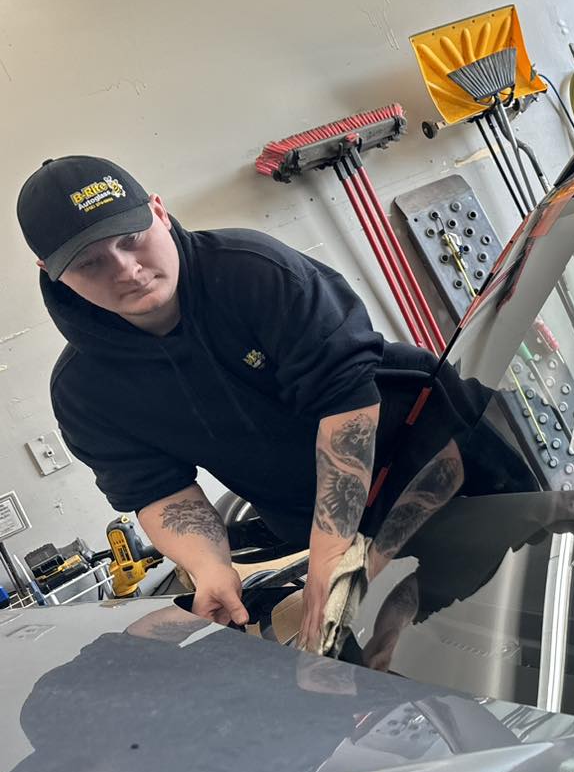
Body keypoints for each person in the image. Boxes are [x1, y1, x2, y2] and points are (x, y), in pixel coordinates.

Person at [15, 155, 532, 650]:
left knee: (534, 620)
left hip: (452, 464)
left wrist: (329, 561)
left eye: (132, 239)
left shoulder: (252, 272)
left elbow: (346, 404)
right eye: (90, 262)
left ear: (157, 210)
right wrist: (212, 567)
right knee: (417, 662)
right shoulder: (85, 392)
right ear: (51, 270)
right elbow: (159, 492)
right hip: (328, 527)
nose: (126, 269)